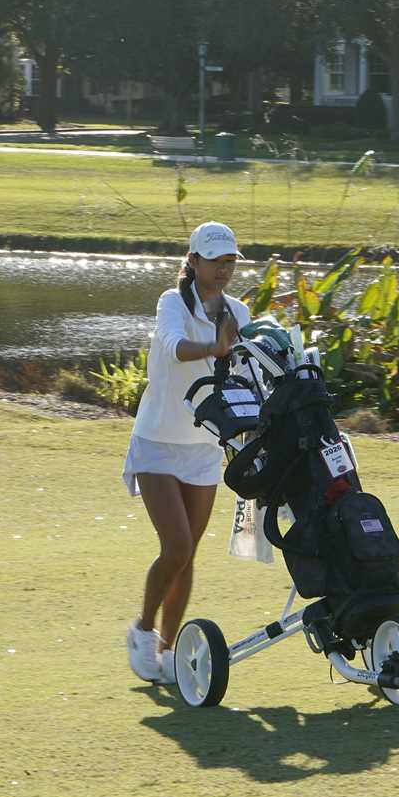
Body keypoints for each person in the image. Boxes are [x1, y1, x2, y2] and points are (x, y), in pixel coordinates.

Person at [123, 220, 252, 684]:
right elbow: (174, 347)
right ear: (193, 260)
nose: (222, 270)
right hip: (157, 441)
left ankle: (169, 650)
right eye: (214, 261)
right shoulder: (171, 302)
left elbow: (252, 361)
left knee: (188, 554)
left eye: (229, 262)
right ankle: (141, 630)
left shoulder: (238, 309)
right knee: (175, 545)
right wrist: (215, 347)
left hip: (203, 447)